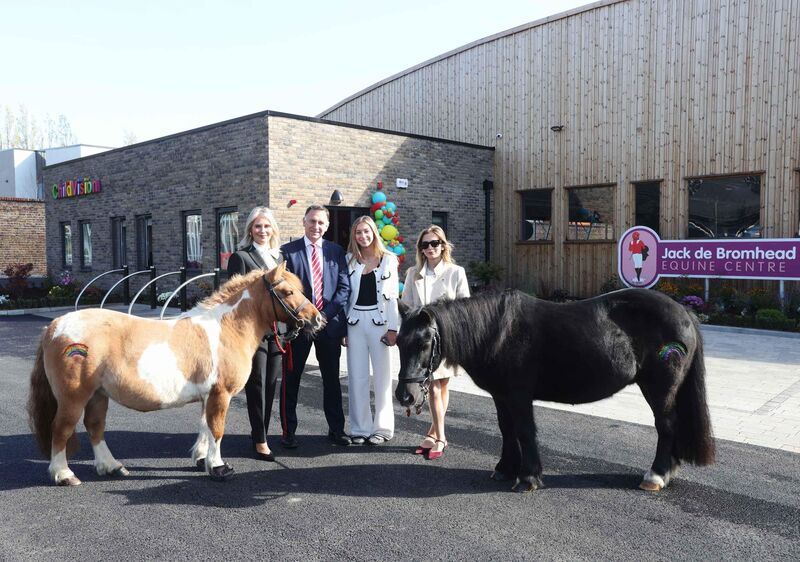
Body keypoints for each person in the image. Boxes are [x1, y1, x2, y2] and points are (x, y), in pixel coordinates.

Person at [279, 205, 352, 447]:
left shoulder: (336, 252)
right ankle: (288, 431)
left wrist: (324, 316)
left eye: (321, 223)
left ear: (327, 226)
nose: (316, 226)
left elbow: (344, 289)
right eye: (312, 221)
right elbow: (283, 291)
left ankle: (337, 429)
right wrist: (304, 316)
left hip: (328, 327)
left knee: (332, 381)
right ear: (304, 221)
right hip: (299, 327)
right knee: (292, 379)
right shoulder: (288, 252)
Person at [401, 225, 470, 460]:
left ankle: (438, 437)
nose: (429, 248)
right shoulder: (413, 273)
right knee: (432, 387)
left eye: (434, 243)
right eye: (425, 244)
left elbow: (464, 307)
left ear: (442, 245)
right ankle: (436, 434)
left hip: (447, 338)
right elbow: (407, 307)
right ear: (420, 248)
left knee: (441, 386)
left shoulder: (455, 272)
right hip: (423, 342)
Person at [226, 206, 284, 462]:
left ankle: (262, 433)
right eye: (258, 226)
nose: (262, 231)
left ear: (273, 230)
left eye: (267, 226)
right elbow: (233, 296)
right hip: (253, 334)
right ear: (250, 229)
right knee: (256, 384)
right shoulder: (241, 257)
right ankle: (259, 439)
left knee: (271, 385)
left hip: (278, 333)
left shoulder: (280, 258)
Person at [342, 216, 400, 446]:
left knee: (383, 378)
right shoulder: (349, 260)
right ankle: (359, 428)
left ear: (374, 232)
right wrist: (343, 330)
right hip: (354, 322)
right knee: (357, 377)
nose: (363, 236)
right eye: (358, 232)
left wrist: (394, 328)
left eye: (367, 231)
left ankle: (383, 428)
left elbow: (393, 296)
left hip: (380, 324)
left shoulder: (389, 260)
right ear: (354, 236)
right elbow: (346, 296)